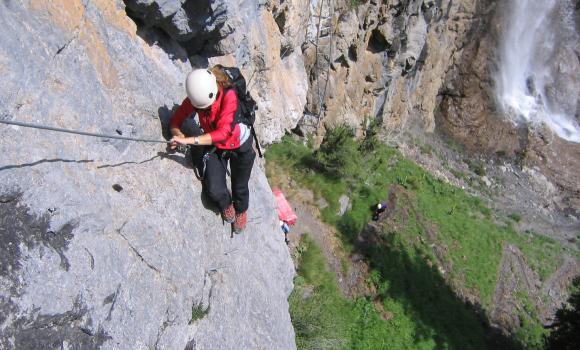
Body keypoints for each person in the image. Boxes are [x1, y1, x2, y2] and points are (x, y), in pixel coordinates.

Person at [169, 67, 256, 234]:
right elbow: (177, 119)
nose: (201, 111)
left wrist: (188, 140)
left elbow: (224, 133)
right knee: (214, 189)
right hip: (215, 145)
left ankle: (241, 210)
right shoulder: (199, 96)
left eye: (204, 108)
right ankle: (226, 204)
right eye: (200, 109)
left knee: (240, 186)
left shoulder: (229, 96)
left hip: (240, 145)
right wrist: (177, 133)